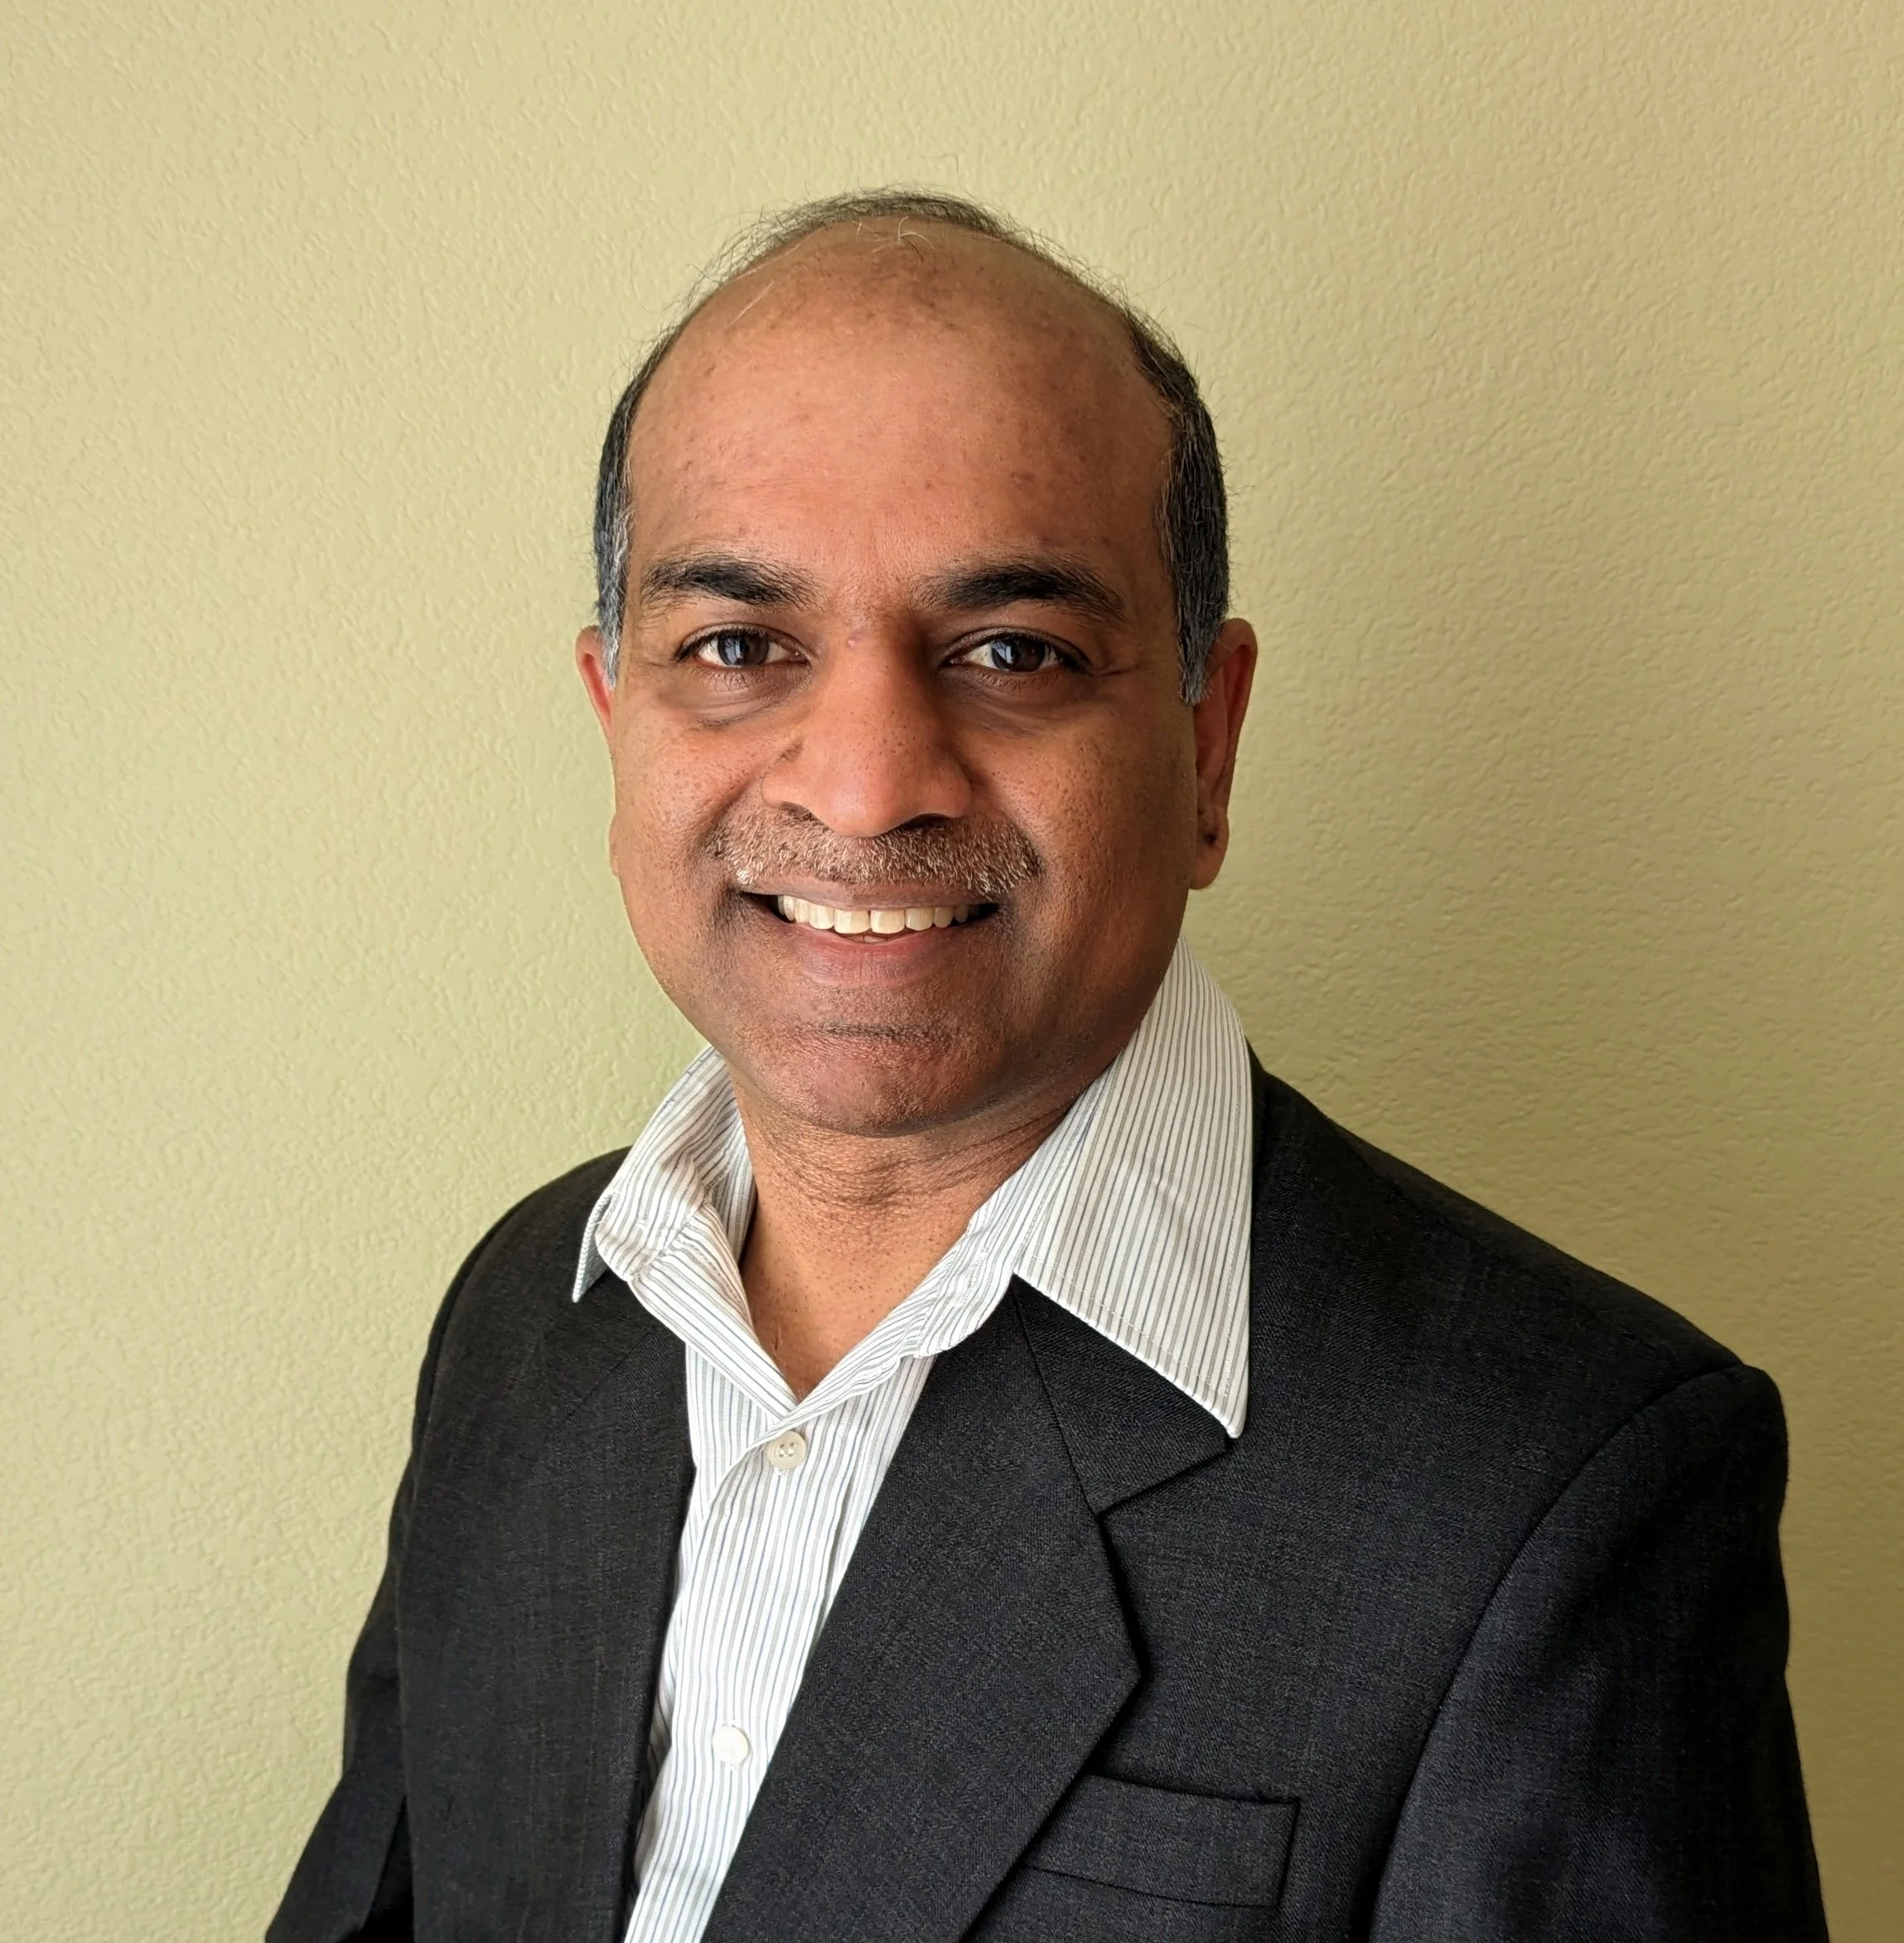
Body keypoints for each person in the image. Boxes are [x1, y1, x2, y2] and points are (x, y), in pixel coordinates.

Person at [270, 191, 1826, 1943]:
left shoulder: (1556, 1490)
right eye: (738, 646)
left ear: (1207, 741)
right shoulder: (522, 1320)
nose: (864, 784)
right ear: (615, 710)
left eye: (1012, 651)